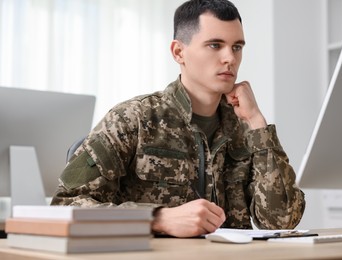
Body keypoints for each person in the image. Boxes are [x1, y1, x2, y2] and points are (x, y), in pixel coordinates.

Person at [51, 0, 305, 238]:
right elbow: (65, 205)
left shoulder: (245, 129)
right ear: (178, 52)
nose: (230, 58)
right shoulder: (134, 119)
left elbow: (281, 221)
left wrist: (257, 121)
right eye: (215, 45)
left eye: (237, 47)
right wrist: (156, 218)